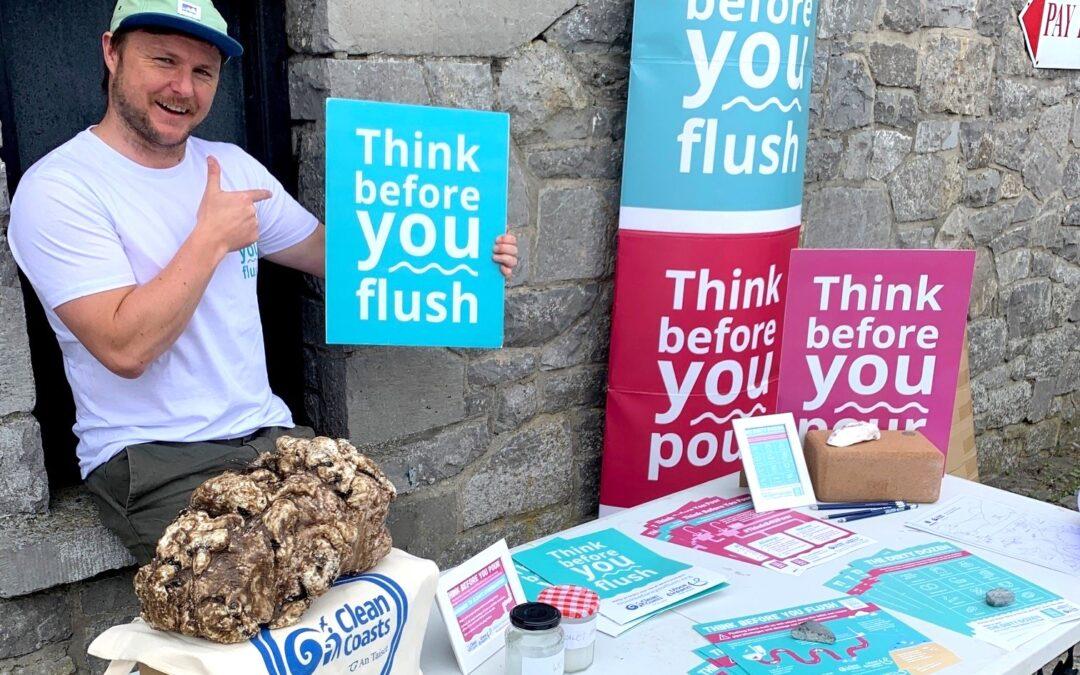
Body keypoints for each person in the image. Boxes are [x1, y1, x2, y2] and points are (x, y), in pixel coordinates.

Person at [7, 0, 518, 565]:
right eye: (163, 61)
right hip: (154, 457)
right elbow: (125, 348)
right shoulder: (60, 188)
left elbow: (335, 255)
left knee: (374, 553)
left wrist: (466, 249)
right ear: (112, 53)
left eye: (203, 72)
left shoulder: (232, 167)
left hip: (267, 436)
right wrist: (210, 239)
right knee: (252, 583)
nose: (183, 88)